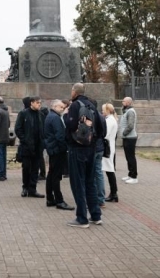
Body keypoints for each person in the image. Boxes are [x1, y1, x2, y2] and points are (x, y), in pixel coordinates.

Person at [63, 83, 104, 227]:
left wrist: (66, 116)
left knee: (78, 183)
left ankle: (82, 218)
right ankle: (96, 215)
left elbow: (71, 125)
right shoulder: (92, 105)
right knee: (90, 182)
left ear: (74, 92)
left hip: (77, 148)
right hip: (91, 148)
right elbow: (100, 127)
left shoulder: (75, 105)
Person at [44, 99, 74, 210]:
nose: (63, 109)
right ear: (55, 106)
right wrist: (64, 148)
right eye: (61, 107)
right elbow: (60, 136)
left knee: (51, 174)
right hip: (57, 150)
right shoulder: (55, 118)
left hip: (52, 149)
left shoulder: (50, 116)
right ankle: (59, 201)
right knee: (56, 176)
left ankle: (50, 198)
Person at [14, 96, 45, 198]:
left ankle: (33, 189)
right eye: (37, 102)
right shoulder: (23, 113)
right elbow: (18, 129)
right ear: (31, 103)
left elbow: (43, 129)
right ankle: (25, 188)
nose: (39, 104)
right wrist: (25, 140)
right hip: (27, 147)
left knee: (35, 169)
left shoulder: (41, 115)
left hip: (38, 146)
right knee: (26, 168)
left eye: (40, 103)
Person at [102, 103, 119, 202]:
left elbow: (105, 134)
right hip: (109, 146)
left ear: (108, 110)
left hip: (107, 147)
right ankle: (113, 193)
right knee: (109, 170)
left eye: (103, 110)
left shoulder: (109, 120)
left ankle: (114, 193)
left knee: (110, 170)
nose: (102, 111)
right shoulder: (111, 119)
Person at [120, 96, 138, 184]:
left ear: (128, 102)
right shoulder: (126, 111)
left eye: (123, 101)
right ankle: (130, 174)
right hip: (127, 138)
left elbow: (130, 125)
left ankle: (134, 176)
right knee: (128, 157)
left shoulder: (130, 112)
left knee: (131, 157)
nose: (122, 102)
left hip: (130, 138)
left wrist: (124, 133)